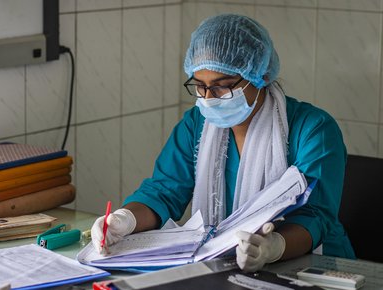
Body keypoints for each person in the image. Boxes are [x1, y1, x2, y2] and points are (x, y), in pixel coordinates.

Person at [91, 13, 356, 272]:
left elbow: (316, 217)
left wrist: (273, 247)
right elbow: (163, 192)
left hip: (315, 267)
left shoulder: (314, 129)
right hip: (222, 265)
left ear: (260, 76)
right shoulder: (196, 124)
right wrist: (124, 220)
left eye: (223, 86)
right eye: (200, 85)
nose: (208, 98)